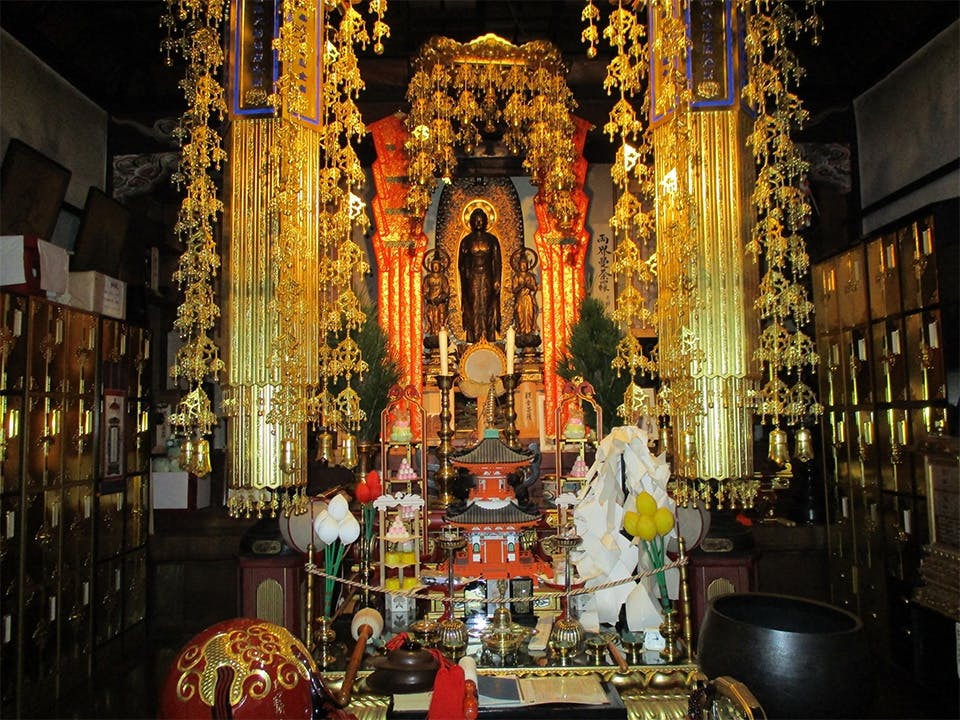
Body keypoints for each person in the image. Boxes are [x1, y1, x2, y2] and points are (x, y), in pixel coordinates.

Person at [458, 208, 501, 343]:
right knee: (474, 307)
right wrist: (465, 279)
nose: (478, 222)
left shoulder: (492, 240)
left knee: (487, 306)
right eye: (475, 220)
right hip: (472, 278)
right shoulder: (466, 241)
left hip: (488, 276)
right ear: (471, 222)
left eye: (481, 220)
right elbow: (461, 264)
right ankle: (475, 339)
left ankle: (487, 338)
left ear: (485, 222)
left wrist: (497, 279)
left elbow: (497, 262)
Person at [512, 253, 538, 337]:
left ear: (527, 265)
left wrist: (528, 285)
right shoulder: (517, 276)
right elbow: (514, 290)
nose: (523, 266)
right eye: (522, 265)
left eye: (525, 265)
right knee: (520, 316)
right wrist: (521, 286)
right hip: (520, 299)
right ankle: (522, 332)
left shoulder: (530, 276)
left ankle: (529, 332)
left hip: (528, 298)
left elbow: (534, 288)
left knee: (529, 315)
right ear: (519, 266)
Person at [423, 255, 450, 336]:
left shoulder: (443, 278)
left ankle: (440, 333)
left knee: (441, 318)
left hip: (440, 302)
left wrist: (441, 298)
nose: (435, 268)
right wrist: (429, 298)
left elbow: (446, 291)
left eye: (437, 266)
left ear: (440, 267)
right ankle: (433, 332)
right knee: (431, 318)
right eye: (433, 266)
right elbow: (425, 291)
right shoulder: (428, 278)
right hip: (431, 302)